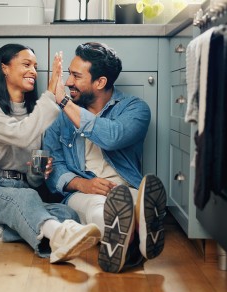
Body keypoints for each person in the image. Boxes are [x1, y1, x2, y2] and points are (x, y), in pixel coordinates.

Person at [0, 43, 101, 263]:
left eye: (35, 66)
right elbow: (21, 135)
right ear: (4, 68)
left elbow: (32, 180)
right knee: (27, 199)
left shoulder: (36, 114)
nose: (33, 71)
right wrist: (51, 96)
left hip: (23, 191)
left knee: (68, 215)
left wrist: (38, 171)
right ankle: (57, 238)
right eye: (26, 64)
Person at [43, 42, 167, 273]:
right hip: (82, 192)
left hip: (123, 187)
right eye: (69, 74)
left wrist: (63, 101)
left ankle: (135, 231)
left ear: (100, 82)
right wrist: (83, 184)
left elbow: (112, 137)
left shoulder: (135, 109)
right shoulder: (60, 117)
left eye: (76, 76)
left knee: (131, 201)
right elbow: (52, 168)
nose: (68, 82)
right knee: (97, 206)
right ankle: (133, 241)